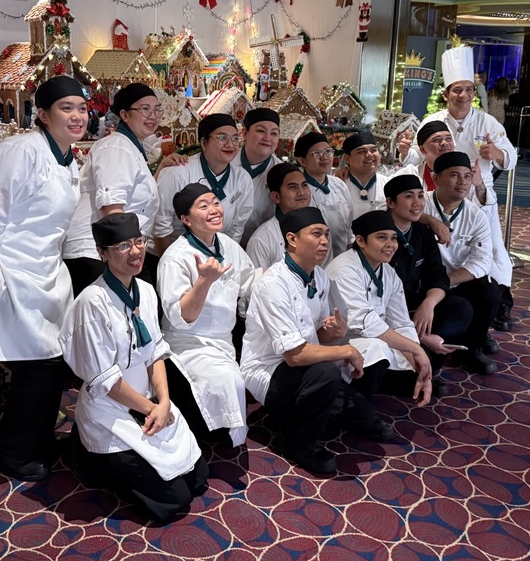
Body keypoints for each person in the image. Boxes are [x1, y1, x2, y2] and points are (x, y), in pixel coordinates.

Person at [0, 76, 86, 481]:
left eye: (82, 108)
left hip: (42, 275)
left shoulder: (71, 164)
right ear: (43, 114)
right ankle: (8, 454)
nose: (77, 115)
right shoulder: (19, 150)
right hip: (0, 273)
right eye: (66, 107)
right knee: (37, 369)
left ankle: (35, 442)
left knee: (51, 365)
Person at [62, 213, 208, 521]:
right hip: (110, 411)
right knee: (173, 503)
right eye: (122, 245)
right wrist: (150, 408)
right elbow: (106, 380)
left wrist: (165, 403)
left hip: (148, 404)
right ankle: (88, 457)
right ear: (102, 252)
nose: (135, 251)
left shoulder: (146, 290)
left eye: (139, 241)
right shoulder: (93, 303)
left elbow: (155, 352)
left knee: (197, 481)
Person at [240, 207, 397, 476]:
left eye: (326, 234)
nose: (325, 241)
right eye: (316, 234)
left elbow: (318, 337)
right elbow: (294, 355)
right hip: (270, 370)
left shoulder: (319, 276)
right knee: (328, 372)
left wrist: (333, 333)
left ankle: (308, 415)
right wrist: (344, 349)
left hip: (304, 367)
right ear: (292, 239)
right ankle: (295, 443)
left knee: (365, 416)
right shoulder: (273, 284)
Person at [399, 45, 517, 331]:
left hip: (477, 196)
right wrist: (405, 151)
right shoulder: (432, 122)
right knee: (438, 252)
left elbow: (511, 158)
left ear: (473, 93)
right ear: (446, 94)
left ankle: (498, 304)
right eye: (456, 90)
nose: (462, 95)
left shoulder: (487, 122)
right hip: (438, 194)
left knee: (490, 253)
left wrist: (495, 154)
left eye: (467, 89)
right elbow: (417, 157)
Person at [157, 183, 256, 446]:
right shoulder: (175, 258)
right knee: (226, 379)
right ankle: (204, 436)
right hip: (188, 342)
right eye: (204, 206)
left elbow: (249, 282)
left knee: (233, 377)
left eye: (215, 202)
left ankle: (218, 432)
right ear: (186, 219)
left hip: (223, 341)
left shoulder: (227, 245)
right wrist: (203, 281)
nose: (214, 210)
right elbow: (181, 317)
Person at [63, 83, 177, 293]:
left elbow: (137, 193)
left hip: (119, 250)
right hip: (96, 255)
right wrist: (125, 258)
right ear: (124, 115)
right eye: (144, 109)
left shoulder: (132, 147)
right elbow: (112, 208)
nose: (153, 116)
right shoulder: (115, 146)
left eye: (156, 109)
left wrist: (161, 168)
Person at [383, 174, 490, 388]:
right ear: (390, 203)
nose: (417, 203)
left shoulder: (422, 232)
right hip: (384, 312)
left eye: (421, 196)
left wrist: (429, 303)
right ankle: (409, 365)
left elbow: (437, 275)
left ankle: (423, 361)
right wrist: (420, 336)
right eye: (408, 196)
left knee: (460, 308)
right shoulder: (379, 234)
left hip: (414, 306)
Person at [326, 211, 433, 406]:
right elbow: (366, 322)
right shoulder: (344, 269)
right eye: (381, 237)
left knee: (427, 361)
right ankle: (353, 406)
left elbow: (401, 322)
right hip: (338, 341)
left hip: (374, 337)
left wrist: (419, 364)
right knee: (379, 348)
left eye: (393, 238)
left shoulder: (388, 273)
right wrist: (415, 349)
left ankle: (402, 380)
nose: (390, 244)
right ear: (360, 241)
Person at [423, 152, 501, 363]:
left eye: (467, 176)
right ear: (436, 178)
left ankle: (473, 349)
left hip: (455, 278)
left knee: (490, 292)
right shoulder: (421, 204)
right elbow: (392, 212)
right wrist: (428, 219)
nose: (463, 182)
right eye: (454, 175)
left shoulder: (476, 215)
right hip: (423, 279)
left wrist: (447, 281)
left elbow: (482, 261)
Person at [154, 114, 253, 252]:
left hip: (214, 254)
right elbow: (161, 227)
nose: (230, 144)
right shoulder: (177, 173)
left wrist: (224, 258)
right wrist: (169, 264)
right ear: (204, 143)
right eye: (222, 137)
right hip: (172, 253)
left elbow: (236, 228)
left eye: (235, 138)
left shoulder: (242, 178)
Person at [245, 163, 318, 271]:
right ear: (276, 197)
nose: (302, 192)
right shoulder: (261, 239)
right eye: (293, 187)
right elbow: (257, 284)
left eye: (304, 185)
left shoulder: (320, 229)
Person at [294, 132, 354, 258]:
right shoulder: (299, 192)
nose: (325, 157)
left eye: (328, 151)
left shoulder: (339, 185)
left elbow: (349, 230)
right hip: (311, 263)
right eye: (317, 153)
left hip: (341, 260)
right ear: (302, 161)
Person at [233, 108, 282, 245]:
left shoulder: (282, 172)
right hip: (224, 243)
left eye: (274, 133)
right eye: (261, 131)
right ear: (244, 133)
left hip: (265, 245)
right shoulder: (225, 163)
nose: (267, 138)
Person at [339, 131, 392, 219]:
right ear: (347, 158)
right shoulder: (338, 186)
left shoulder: (389, 184)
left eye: (373, 150)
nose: (369, 155)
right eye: (361, 152)